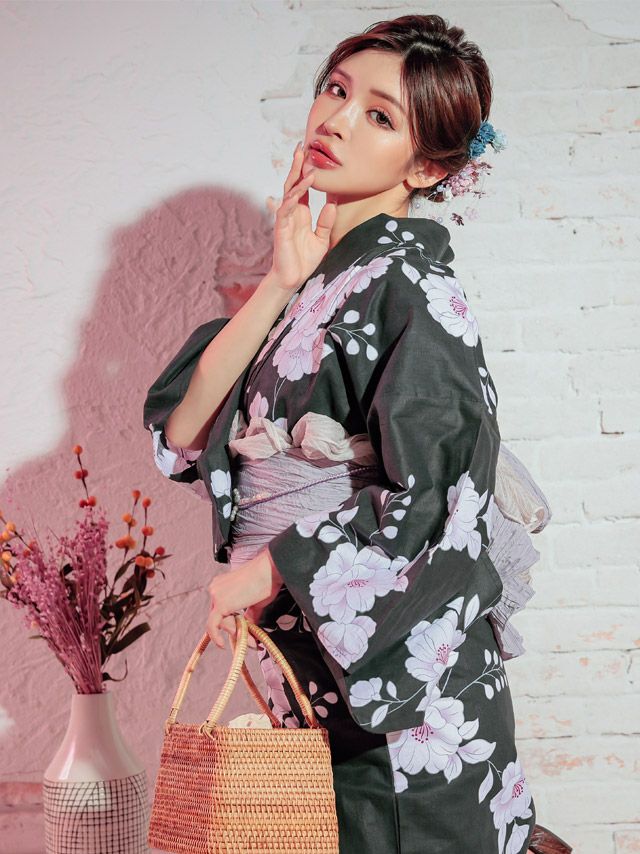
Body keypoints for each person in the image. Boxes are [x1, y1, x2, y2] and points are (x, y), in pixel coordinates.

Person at [143, 14, 552, 853]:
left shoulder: (410, 286)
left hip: (407, 713)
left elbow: (442, 496)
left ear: (428, 166)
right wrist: (278, 280)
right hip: (317, 671)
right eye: (335, 90)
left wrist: (270, 568)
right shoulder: (312, 284)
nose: (335, 120)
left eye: (379, 115)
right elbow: (184, 435)